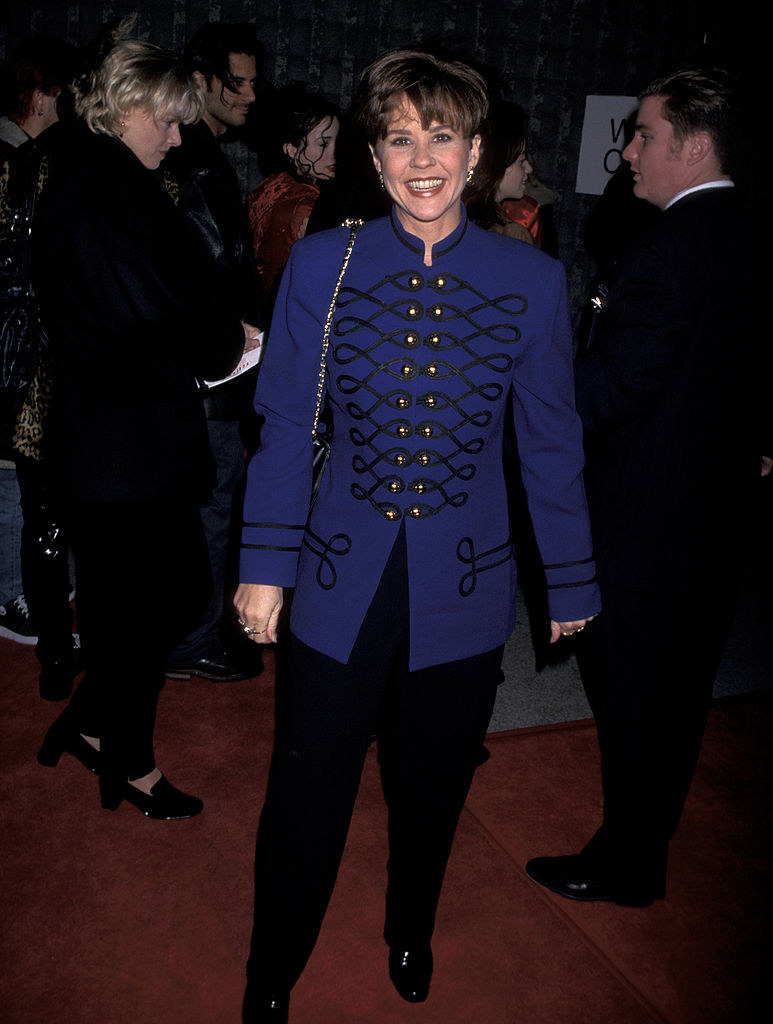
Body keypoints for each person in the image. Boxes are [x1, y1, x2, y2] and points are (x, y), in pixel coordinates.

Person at [234, 49, 600, 1022]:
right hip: (336, 574)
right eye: (400, 137)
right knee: (305, 790)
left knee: (429, 787)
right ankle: (271, 968)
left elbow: (550, 441)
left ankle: (410, 924)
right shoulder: (323, 260)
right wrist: (263, 567)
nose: (422, 158)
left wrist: (569, 577)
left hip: (468, 585)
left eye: (441, 135)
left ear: (475, 151)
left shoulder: (526, 280)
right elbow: (281, 426)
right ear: (375, 151)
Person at [525, 68, 766, 907]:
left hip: (644, 525)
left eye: (646, 135)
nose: (628, 150)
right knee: (678, 698)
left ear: (694, 146)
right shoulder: (749, 229)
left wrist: (528, 383)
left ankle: (626, 862)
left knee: (634, 701)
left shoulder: (665, 245)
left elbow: (613, 391)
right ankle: (643, 851)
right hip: (717, 516)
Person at [32, 33, 244, 819]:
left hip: (128, 438)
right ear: (123, 108)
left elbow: (154, 302)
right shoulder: (97, 187)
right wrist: (224, 340)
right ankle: (129, 759)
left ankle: (91, 726)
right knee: (144, 609)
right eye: (168, 118)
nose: (180, 135)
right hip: (118, 444)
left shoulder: (106, 180)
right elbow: (156, 309)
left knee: (162, 597)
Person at [164, 23, 265, 685]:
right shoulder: (193, 157)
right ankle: (192, 640)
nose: (252, 94)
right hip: (210, 374)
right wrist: (242, 336)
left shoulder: (202, 153)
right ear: (200, 80)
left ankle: (190, 633)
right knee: (210, 504)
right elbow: (207, 273)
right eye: (239, 81)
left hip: (203, 370)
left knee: (205, 504)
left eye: (256, 80)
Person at [0, 37, 73, 662]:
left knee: (21, 478)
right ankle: (13, 599)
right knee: (13, 477)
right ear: (45, 92)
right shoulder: (13, 160)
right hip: (16, 351)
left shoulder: (29, 158)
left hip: (23, 348)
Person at [247, 83, 339, 311]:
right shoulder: (305, 204)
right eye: (323, 144)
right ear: (290, 149)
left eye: (338, 142)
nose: (334, 154)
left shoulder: (273, 185)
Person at [463, 99, 534, 244]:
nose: (529, 169)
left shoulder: (458, 216)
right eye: (521, 161)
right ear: (497, 167)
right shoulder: (508, 235)